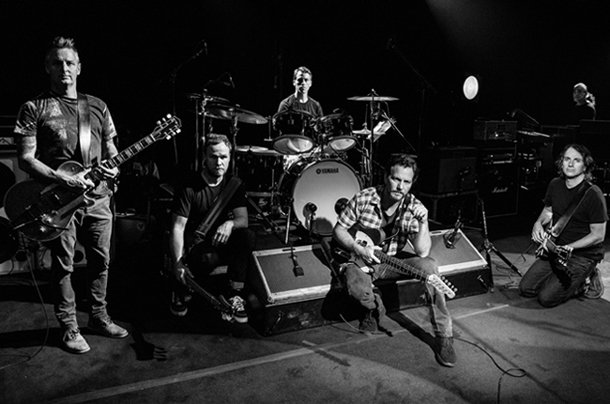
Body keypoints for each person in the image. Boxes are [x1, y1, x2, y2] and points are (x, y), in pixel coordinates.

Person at [13, 37, 128, 354]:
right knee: (63, 265)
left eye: (69, 62)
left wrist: (115, 169)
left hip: (99, 198)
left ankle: (99, 317)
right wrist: (62, 177)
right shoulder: (34, 108)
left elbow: (112, 150)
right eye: (57, 62)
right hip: (59, 201)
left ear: (79, 68)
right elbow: (26, 158)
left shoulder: (98, 106)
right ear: (47, 67)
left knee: (101, 261)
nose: (64, 68)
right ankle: (69, 327)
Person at [332, 153, 456, 367]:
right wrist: (357, 248)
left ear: (412, 183)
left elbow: (422, 252)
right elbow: (339, 230)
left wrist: (424, 222)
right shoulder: (364, 198)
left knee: (430, 266)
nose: (400, 186)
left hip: (392, 260)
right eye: (396, 179)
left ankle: (444, 336)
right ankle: (373, 307)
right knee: (357, 289)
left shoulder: (413, 206)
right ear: (386, 177)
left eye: (406, 182)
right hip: (361, 259)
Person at [169, 134, 255, 323]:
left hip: (220, 240)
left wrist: (230, 224)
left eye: (223, 157)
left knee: (247, 236)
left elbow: (243, 220)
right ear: (204, 158)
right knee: (208, 259)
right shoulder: (189, 187)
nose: (219, 162)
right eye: (213, 157)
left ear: (230, 158)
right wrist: (177, 263)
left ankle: (235, 293)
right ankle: (181, 287)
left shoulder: (234, 184)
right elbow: (177, 227)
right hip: (196, 244)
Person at [520, 144, 607, 306]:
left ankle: (585, 280)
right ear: (561, 162)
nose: (571, 164)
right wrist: (538, 223)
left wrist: (571, 247)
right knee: (526, 288)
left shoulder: (594, 194)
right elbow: (548, 211)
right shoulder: (555, 184)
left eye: (577, 160)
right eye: (567, 159)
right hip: (556, 251)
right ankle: (567, 280)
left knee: (546, 298)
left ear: (585, 166)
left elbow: (598, 235)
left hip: (582, 255)